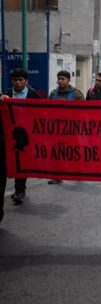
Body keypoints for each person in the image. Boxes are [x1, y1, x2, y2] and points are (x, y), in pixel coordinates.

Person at [1, 68, 41, 204]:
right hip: (9, 134)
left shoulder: (33, 94)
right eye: (15, 80)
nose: (17, 83)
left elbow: (39, 114)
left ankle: (20, 190)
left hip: (26, 135)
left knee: (21, 161)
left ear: (26, 81)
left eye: (20, 80)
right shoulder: (6, 94)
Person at [48, 70, 84, 184]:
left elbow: (84, 110)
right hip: (56, 129)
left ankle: (78, 172)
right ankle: (57, 176)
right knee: (57, 153)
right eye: (59, 79)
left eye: (62, 79)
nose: (60, 81)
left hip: (72, 129)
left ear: (69, 80)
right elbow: (46, 110)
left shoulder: (76, 94)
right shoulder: (53, 94)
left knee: (74, 152)